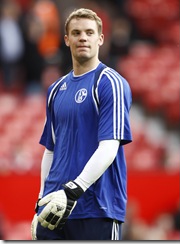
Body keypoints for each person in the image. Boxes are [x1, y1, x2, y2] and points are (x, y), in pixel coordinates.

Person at [31, 8, 132, 240]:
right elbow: (50, 151)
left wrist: (73, 190)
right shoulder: (55, 89)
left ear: (101, 38)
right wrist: (41, 200)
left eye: (89, 32)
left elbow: (109, 146)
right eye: (76, 33)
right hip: (53, 209)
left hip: (96, 208)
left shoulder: (110, 83)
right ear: (67, 40)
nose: (83, 38)